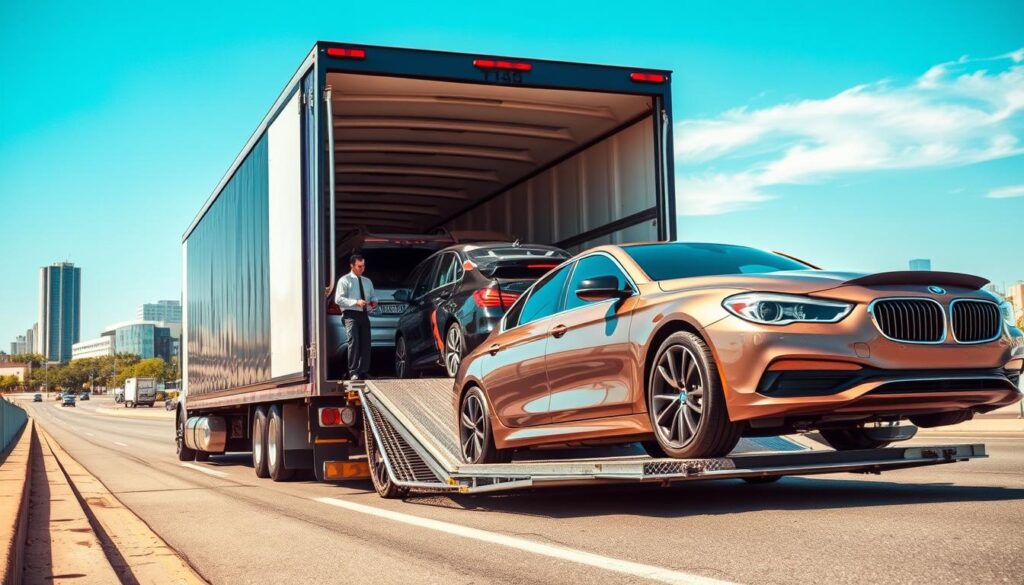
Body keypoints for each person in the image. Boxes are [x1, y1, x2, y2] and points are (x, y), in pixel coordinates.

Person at [334, 253, 378, 380]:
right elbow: (338, 299)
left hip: (364, 314)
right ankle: (353, 371)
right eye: (359, 266)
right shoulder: (344, 280)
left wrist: (374, 301)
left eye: (363, 266)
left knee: (366, 342)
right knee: (354, 341)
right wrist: (355, 302)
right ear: (352, 266)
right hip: (350, 315)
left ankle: (364, 371)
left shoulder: (367, 281)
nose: (362, 269)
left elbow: (372, 295)